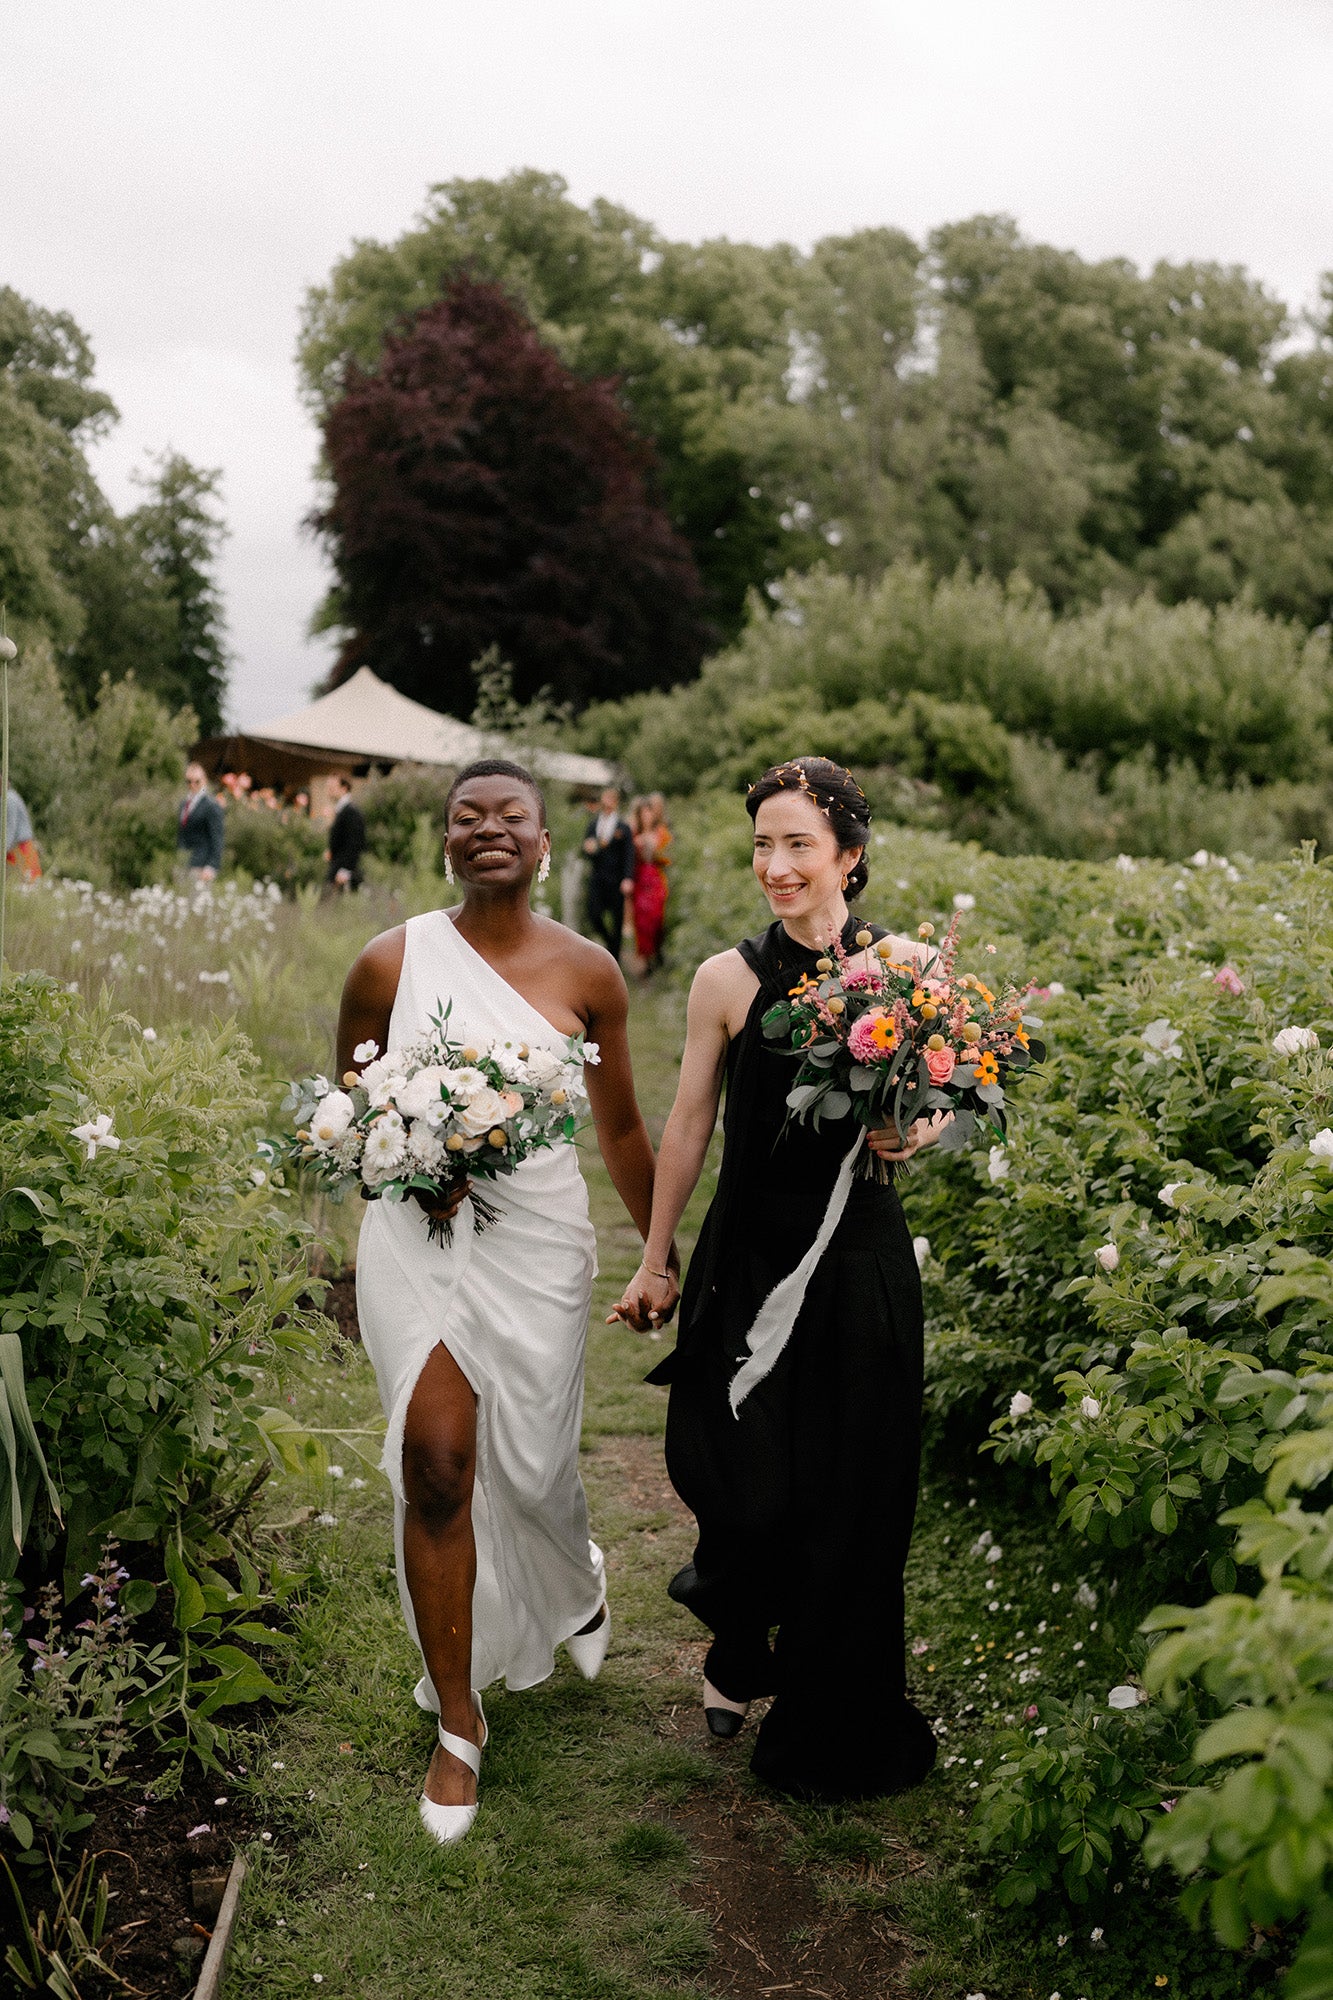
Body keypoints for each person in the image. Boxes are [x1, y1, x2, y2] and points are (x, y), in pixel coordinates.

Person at [338, 758, 664, 1846]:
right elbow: (350, 1113)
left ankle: (573, 1577)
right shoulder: (389, 959)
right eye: (466, 815)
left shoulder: (589, 972)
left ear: (542, 841)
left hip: (538, 1242)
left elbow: (617, 1130)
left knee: (529, 1463)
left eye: (508, 815)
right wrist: (408, 1163)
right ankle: (459, 1722)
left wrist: (662, 1250)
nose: (487, 828)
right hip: (416, 1237)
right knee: (437, 1458)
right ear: (443, 840)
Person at [612, 756, 943, 1803]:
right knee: (742, 1480)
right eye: (763, 842)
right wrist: (656, 1254)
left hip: (857, 1266)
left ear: (849, 853)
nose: (776, 863)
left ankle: (825, 1700)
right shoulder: (724, 979)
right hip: (750, 1262)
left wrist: (916, 1127)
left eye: (797, 842)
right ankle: (738, 1637)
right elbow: (688, 1124)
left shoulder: (907, 967)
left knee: (853, 1487)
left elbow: (939, 1103)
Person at [582, 785, 635, 959]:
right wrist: (587, 849)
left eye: (612, 799)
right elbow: (585, 849)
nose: (608, 802)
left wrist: (628, 878)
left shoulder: (623, 827)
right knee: (594, 914)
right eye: (606, 798)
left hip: (617, 878)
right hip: (598, 877)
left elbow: (629, 854)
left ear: (616, 803)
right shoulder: (593, 824)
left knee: (617, 919)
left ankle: (616, 957)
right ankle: (610, 944)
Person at [629, 793, 671, 974]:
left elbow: (669, 856)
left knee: (655, 918)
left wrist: (655, 850)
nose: (646, 816)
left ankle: (657, 952)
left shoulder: (661, 833)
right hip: (639, 880)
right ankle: (645, 959)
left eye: (649, 812)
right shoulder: (633, 834)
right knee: (641, 920)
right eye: (643, 813)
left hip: (655, 878)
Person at [176, 763, 225, 881]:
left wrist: (212, 866)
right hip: (183, 863)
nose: (192, 785)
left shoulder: (211, 805)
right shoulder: (184, 804)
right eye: (189, 781)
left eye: (196, 781)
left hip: (201, 866)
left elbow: (217, 838)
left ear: (204, 781)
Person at [323, 772, 366, 894]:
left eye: (332, 788)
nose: (329, 791)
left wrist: (345, 870)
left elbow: (355, 842)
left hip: (344, 873)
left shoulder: (351, 812)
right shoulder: (340, 810)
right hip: (336, 867)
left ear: (344, 788)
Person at [4, 785, 41, 880]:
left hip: (20, 848)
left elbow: (10, 828)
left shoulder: (9, 798)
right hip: (15, 848)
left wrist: (2, 851)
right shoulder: (8, 797)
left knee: (26, 882)